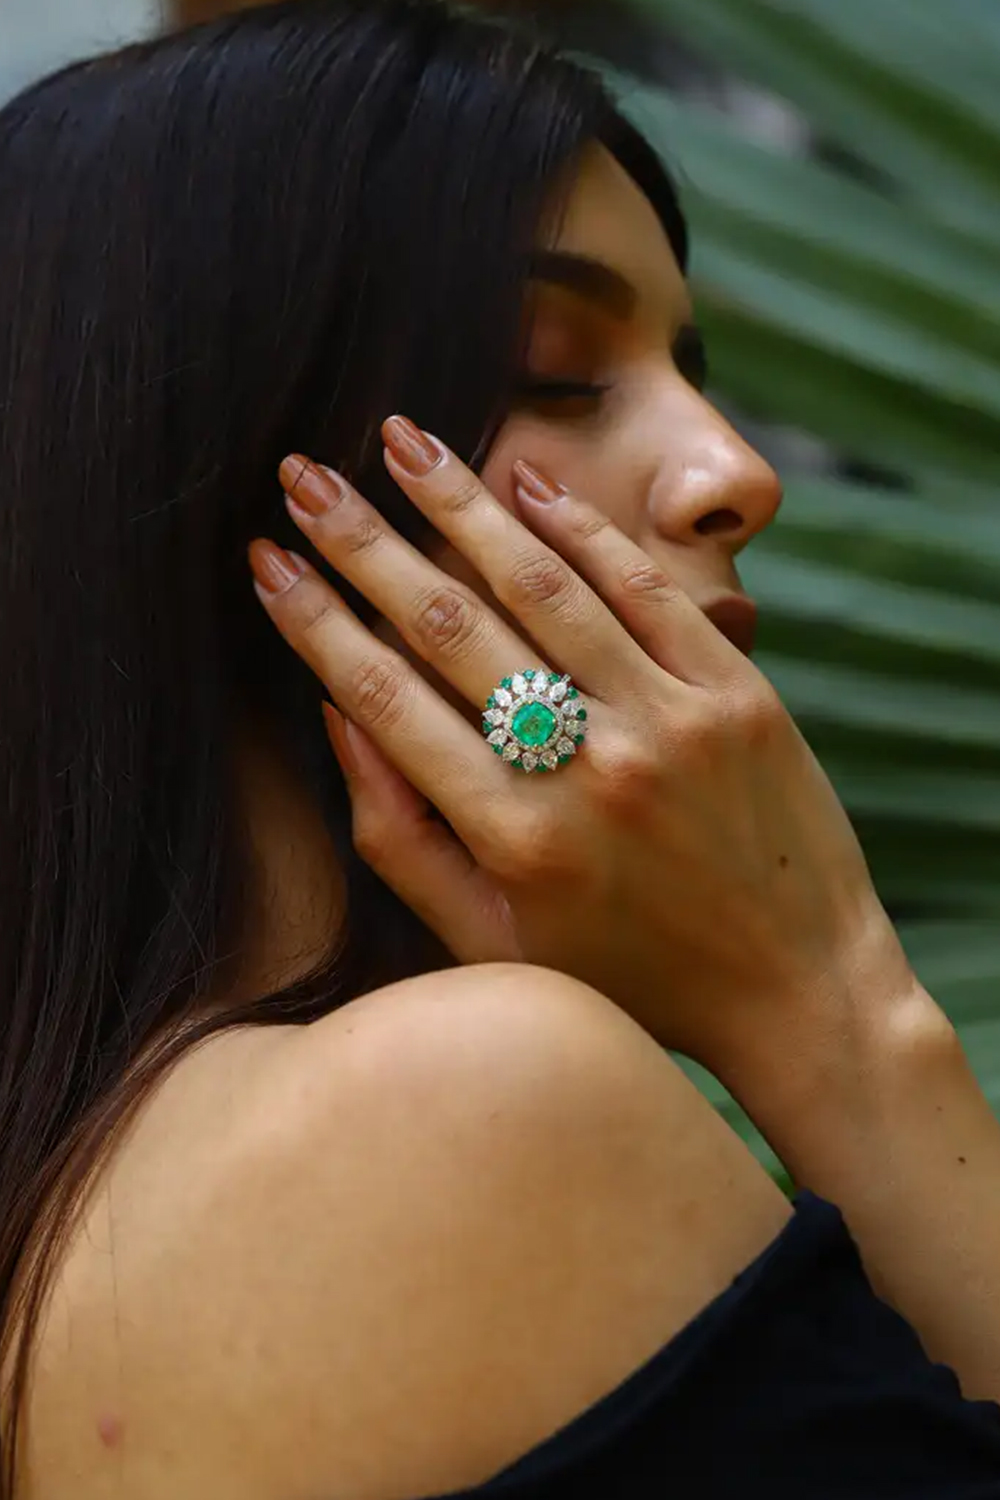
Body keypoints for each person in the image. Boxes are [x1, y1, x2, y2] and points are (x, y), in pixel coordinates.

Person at [2, 1, 1000, 1496]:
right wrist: (834, 1001)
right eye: (554, 364)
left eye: (693, 366)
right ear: (209, 462)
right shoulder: (462, 1108)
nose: (737, 471)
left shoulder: (84, 1212)